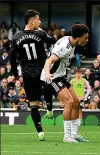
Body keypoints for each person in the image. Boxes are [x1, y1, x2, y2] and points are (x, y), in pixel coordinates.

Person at [10, 10, 55, 141]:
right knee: (48, 86)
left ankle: (40, 132)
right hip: (42, 70)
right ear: (32, 21)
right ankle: (49, 108)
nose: (40, 22)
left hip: (27, 74)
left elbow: (13, 59)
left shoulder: (16, 37)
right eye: (38, 19)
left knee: (33, 104)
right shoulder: (40, 33)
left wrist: (15, 74)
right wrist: (42, 31)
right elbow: (52, 40)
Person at [41, 24, 90, 143]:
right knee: (69, 102)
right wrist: (48, 74)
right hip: (52, 77)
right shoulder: (65, 46)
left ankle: (74, 134)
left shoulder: (71, 40)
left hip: (61, 76)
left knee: (76, 102)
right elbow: (49, 60)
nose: (87, 40)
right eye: (85, 37)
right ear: (78, 37)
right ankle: (67, 136)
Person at [70, 68, 91, 139]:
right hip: (74, 99)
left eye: (79, 73)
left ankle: (77, 126)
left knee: (80, 111)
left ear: (81, 74)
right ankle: (73, 128)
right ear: (75, 74)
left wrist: (86, 96)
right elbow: (68, 89)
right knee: (73, 112)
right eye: (77, 73)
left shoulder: (84, 80)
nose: (78, 74)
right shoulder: (72, 81)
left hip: (81, 99)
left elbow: (89, 88)